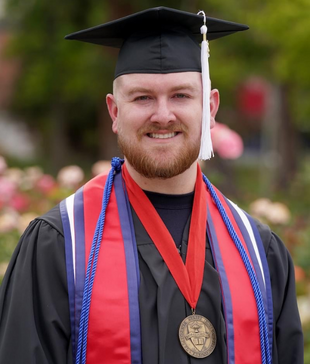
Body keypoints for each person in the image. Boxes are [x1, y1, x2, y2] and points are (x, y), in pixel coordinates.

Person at [0, 6, 303, 364]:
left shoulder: (259, 252)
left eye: (181, 95)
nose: (162, 115)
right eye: (142, 97)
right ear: (114, 112)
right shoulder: (60, 245)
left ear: (210, 107)